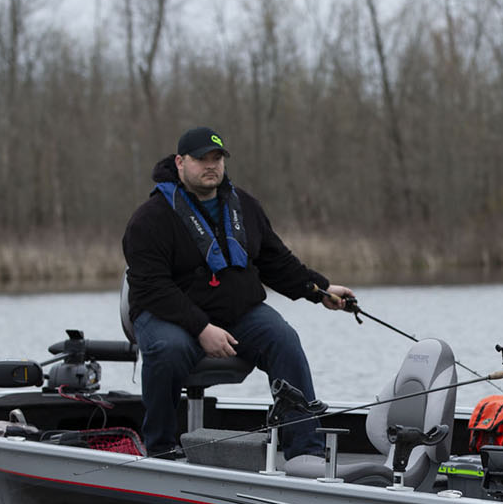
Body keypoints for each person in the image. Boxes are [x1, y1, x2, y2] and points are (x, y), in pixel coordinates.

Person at [122, 126, 355, 459]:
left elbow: (276, 260)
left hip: (236, 312)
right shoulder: (150, 219)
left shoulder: (243, 205)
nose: (211, 166)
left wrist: (320, 290)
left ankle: (306, 451)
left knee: (283, 339)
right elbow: (151, 287)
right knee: (169, 349)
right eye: (202, 159)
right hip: (166, 312)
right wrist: (202, 329)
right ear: (180, 162)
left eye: (217, 158)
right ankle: (161, 448)